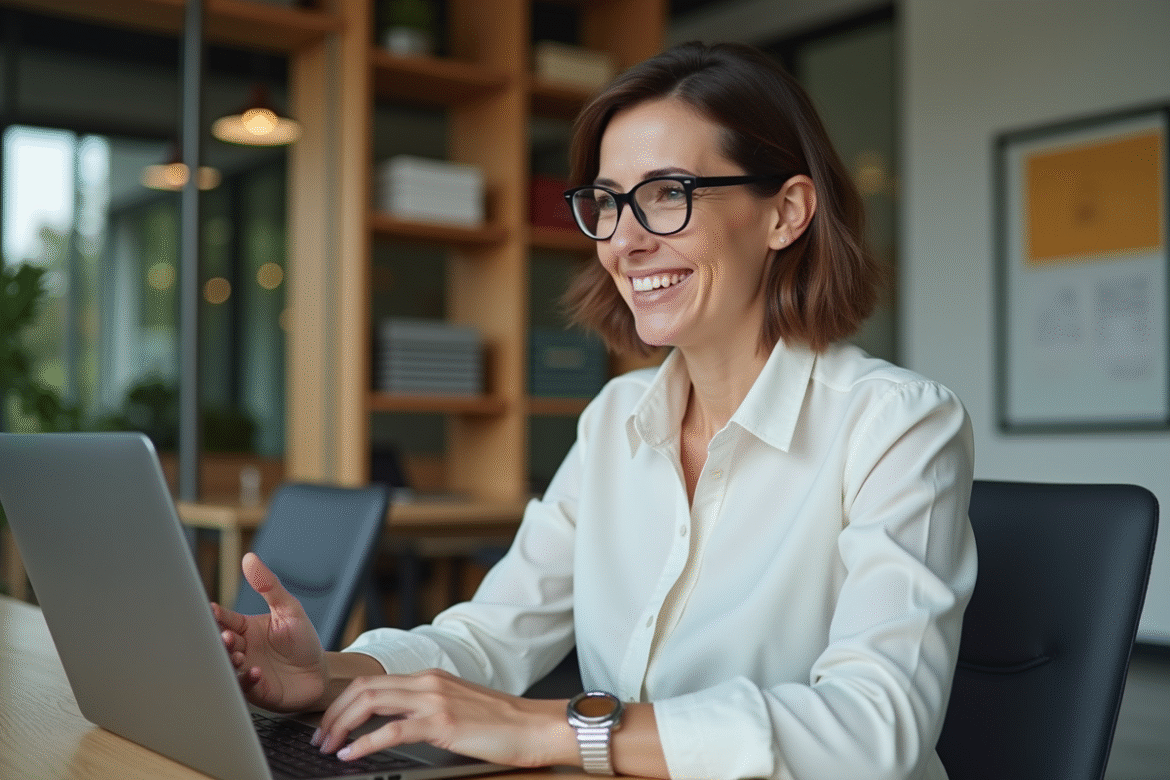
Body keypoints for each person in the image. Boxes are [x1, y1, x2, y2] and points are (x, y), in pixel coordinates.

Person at [213, 41, 976, 780]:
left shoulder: (898, 426)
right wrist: (333, 675)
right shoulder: (615, 419)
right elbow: (491, 635)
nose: (626, 240)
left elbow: (877, 729)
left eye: (668, 194)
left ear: (787, 213)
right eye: (608, 203)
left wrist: (552, 727)